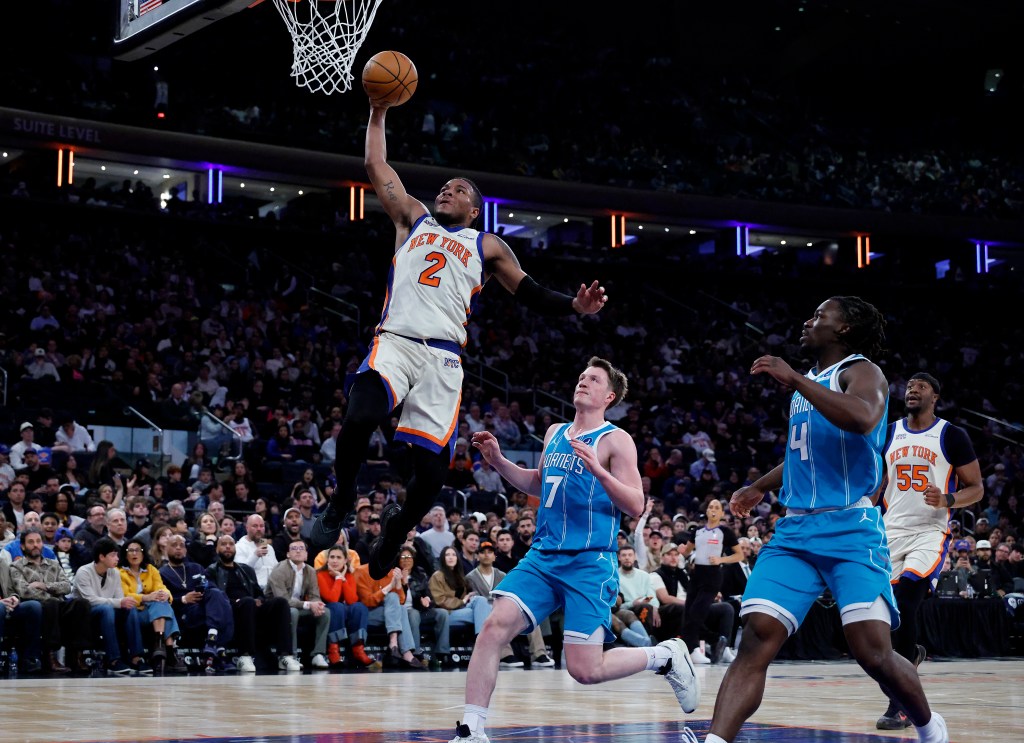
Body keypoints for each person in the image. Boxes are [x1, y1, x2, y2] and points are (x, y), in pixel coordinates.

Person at [309, 101, 608, 582]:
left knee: (431, 477)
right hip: (397, 341)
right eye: (445, 187)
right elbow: (375, 164)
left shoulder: (486, 244)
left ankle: (395, 530)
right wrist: (379, 111)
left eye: (460, 189)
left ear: (474, 209)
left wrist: (575, 305)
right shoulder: (413, 219)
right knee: (361, 415)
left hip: (444, 359)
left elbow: (529, 291)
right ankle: (342, 498)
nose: (447, 190)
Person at [715, 296, 949, 743]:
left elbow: (863, 418)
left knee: (873, 653)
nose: (808, 321)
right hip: (795, 531)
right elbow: (805, 453)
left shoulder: (862, 372)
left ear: (844, 329)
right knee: (756, 638)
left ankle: (929, 727)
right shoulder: (811, 385)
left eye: (819, 316)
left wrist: (794, 378)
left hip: (849, 528)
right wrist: (759, 486)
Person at [448, 357, 699, 743]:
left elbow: (635, 504)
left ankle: (664, 657)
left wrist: (599, 471)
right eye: (582, 376)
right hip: (543, 556)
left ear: (609, 396)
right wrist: (498, 461)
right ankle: (472, 730)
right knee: (493, 628)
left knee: (584, 670)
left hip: (589, 560)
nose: (583, 381)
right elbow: (538, 483)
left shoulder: (615, 439)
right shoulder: (554, 432)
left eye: (593, 379)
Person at [872, 372, 984, 729]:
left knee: (907, 599)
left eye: (921, 387)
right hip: (889, 530)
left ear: (935, 397)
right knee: (886, 614)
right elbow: (877, 482)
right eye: (909, 387)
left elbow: (976, 488)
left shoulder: (951, 435)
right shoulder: (889, 432)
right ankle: (910, 660)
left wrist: (948, 499)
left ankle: (900, 704)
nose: (912, 390)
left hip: (929, 531)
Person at [206, 534, 302, 673]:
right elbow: (214, 596)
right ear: (217, 549)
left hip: (251, 606)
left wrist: (260, 600)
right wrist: (235, 601)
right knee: (247, 602)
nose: (228, 547)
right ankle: (245, 656)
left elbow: (259, 593)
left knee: (281, 602)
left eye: (231, 544)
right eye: (223, 544)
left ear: (235, 548)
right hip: (230, 609)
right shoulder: (211, 570)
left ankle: (285, 655)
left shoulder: (246, 570)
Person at [71, 537, 151, 675]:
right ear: (102, 557)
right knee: (107, 609)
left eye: (117, 555)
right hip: (86, 615)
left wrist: (123, 602)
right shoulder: (83, 572)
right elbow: (90, 600)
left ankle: (136, 658)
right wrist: (119, 602)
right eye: (113, 555)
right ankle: (113, 660)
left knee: (129, 607)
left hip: (108, 612)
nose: (117, 559)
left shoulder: (114, 572)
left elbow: (119, 598)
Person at [680, 499, 743, 664]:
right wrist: (683, 551)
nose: (713, 510)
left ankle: (697, 648)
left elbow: (739, 555)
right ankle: (715, 642)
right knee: (688, 613)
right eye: (711, 507)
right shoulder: (697, 531)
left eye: (717, 508)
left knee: (696, 612)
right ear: (707, 511)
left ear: (721, 513)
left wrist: (721, 559)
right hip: (696, 574)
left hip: (713, 575)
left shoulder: (725, 532)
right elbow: (687, 551)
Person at [118, 538, 187, 672]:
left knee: (162, 602)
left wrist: (166, 594)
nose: (134, 553)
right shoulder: (119, 572)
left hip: (152, 612)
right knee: (163, 607)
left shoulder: (151, 569)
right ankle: (169, 650)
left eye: (138, 550)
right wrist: (145, 597)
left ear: (143, 553)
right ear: (125, 554)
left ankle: (160, 643)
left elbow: (161, 587)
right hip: (132, 613)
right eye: (130, 550)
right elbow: (123, 594)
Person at [266, 541, 331, 669]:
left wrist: (316, 605)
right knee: (292, 612)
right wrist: (308, 604)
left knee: (325, 612)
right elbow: (283, 600)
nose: (298, 551)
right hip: (276, 609)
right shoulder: (279, 570)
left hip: (297, 606)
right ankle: (292, 655)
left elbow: (314, 595)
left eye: (301, 548)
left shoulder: (310, 571)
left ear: (306, 555)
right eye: (294, 548)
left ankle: (318, 654)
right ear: (288, 554)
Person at [315, 545, 379, 669]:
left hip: (342, 609)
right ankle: (333, 651)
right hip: (326, 609)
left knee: (359, 607)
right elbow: (332, 598)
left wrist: (343, 578)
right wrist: (339, 578)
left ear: (345, 561)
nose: (334, 560)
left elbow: (351, 600)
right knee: (337, 606)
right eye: (332, 557)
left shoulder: (349, 575)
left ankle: (358, 650)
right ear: (327, 560)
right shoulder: (320, 574)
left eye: (339, 558)